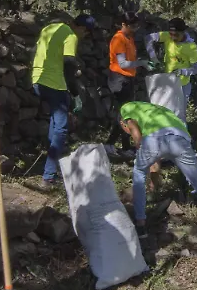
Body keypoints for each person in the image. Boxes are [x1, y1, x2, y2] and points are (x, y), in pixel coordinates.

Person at [120, 101, 197, 243]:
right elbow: (156, 163)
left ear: (122, 123)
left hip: (153, 142)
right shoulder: (157, 111)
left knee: (139, 174)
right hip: (180, 140)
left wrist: (138, 147)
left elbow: (136, 132)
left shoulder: (126, 108)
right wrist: (155, 185)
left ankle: (141, 225)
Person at [31, 14, 96, 185]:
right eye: (86, 33)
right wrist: (74, 92)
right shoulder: (70, 35)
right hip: (54, 83)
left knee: (55, 121)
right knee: (61, 128)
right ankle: (49, 175)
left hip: (37, 79)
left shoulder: (48, 28)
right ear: (81, 28)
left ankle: (51, 162)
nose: (85, 36)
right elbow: (68, 63)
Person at [106, 12, 148, 155]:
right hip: (119, 79)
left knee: (127, 113)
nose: (135, 28)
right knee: (123, 114)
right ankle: (110, 143)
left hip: (128, 78)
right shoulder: (118, 39)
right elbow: (123, 63)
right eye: (132, 25)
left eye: (136, 25)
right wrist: (141, 63)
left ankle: (125, 146)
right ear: (123, 24)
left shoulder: (129, 38)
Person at [147, 17, 197, 105]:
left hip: (182, 86)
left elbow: (196, 69)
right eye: (171, 34)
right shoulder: (167, 36)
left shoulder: (191, 47)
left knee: (178, 115)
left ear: (183, 32)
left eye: (176, 35)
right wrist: (153, 57)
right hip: (167, 83)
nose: (173, 37)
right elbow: (148, 38)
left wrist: (182, 71)